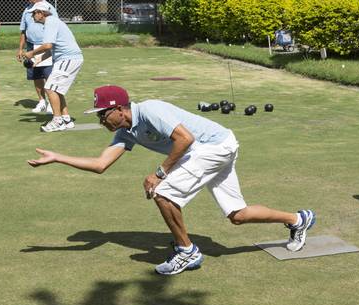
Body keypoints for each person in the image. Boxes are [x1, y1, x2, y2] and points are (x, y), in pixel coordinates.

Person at [27, 85, 317, 275]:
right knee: (237, 215)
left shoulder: (150, 109)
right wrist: (58, 157)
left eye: (104, 115)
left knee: (163, 192)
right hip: (212, 148)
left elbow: (185, 138)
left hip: (213, 145)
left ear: (119, 109)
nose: (102, 120)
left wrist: (159, 173)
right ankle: (297, 219)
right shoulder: (126, 132)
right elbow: (101, 164)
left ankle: (187, 251)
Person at [24, 2, 82, 132]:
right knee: (57, 89)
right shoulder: (51, 23)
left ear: (41, 13)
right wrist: (38, 59)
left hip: (68, 58)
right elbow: (52, 49)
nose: (32, 16)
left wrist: (31, 53)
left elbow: (47, 46)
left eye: (34, 13)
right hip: (68, 59)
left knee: (50, 88)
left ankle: (57, 121)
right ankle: (66, 119)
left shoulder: (50, 22)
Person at [17, 0, 58, 115]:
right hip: (31, 45)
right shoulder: (27, 9)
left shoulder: (48, 7)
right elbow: (23, 30)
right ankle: (42, 102)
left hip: (45, 45)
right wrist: (21, 49)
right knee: (36, 75)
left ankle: (52, 103)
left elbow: (55, 26)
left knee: (48, 75)